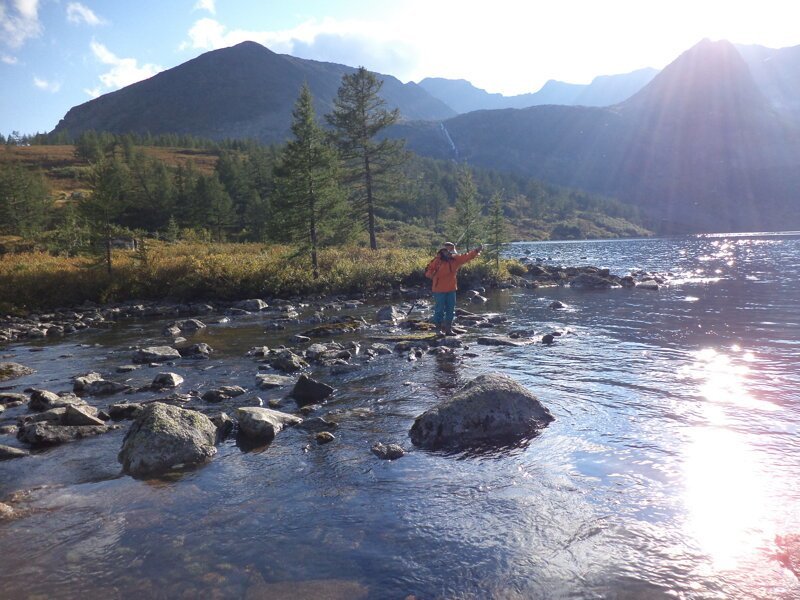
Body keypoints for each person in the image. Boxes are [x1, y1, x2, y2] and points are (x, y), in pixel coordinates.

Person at [424, 241, 482, 335]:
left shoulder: (456, 259)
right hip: (439, 289)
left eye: (450, 249)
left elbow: (467, 256)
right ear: (443, 251)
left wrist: (476, 250)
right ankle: (438, 330)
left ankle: (448, 330)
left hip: (451, 289)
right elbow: (428, 270)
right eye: (447, 249)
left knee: (451, 310)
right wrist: (431, 275)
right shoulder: (437, 260)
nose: (449, 252)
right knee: (439, 310)